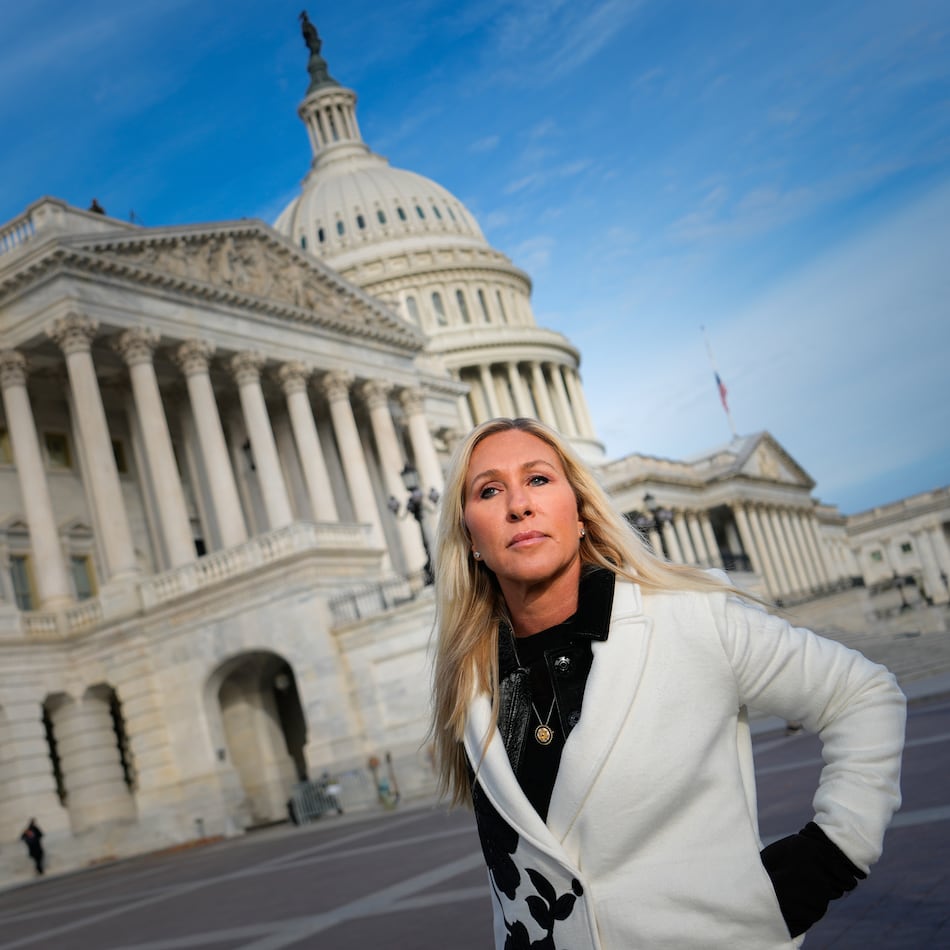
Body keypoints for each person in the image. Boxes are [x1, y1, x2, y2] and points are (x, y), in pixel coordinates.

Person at [430, 417, 906, 949]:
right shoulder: (470, 680)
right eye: (490, 490)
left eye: (539, 479)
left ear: (581, 510)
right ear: (470, 536)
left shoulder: (690, 619)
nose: (519, 504)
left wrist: (830, 857)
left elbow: (864, 694)